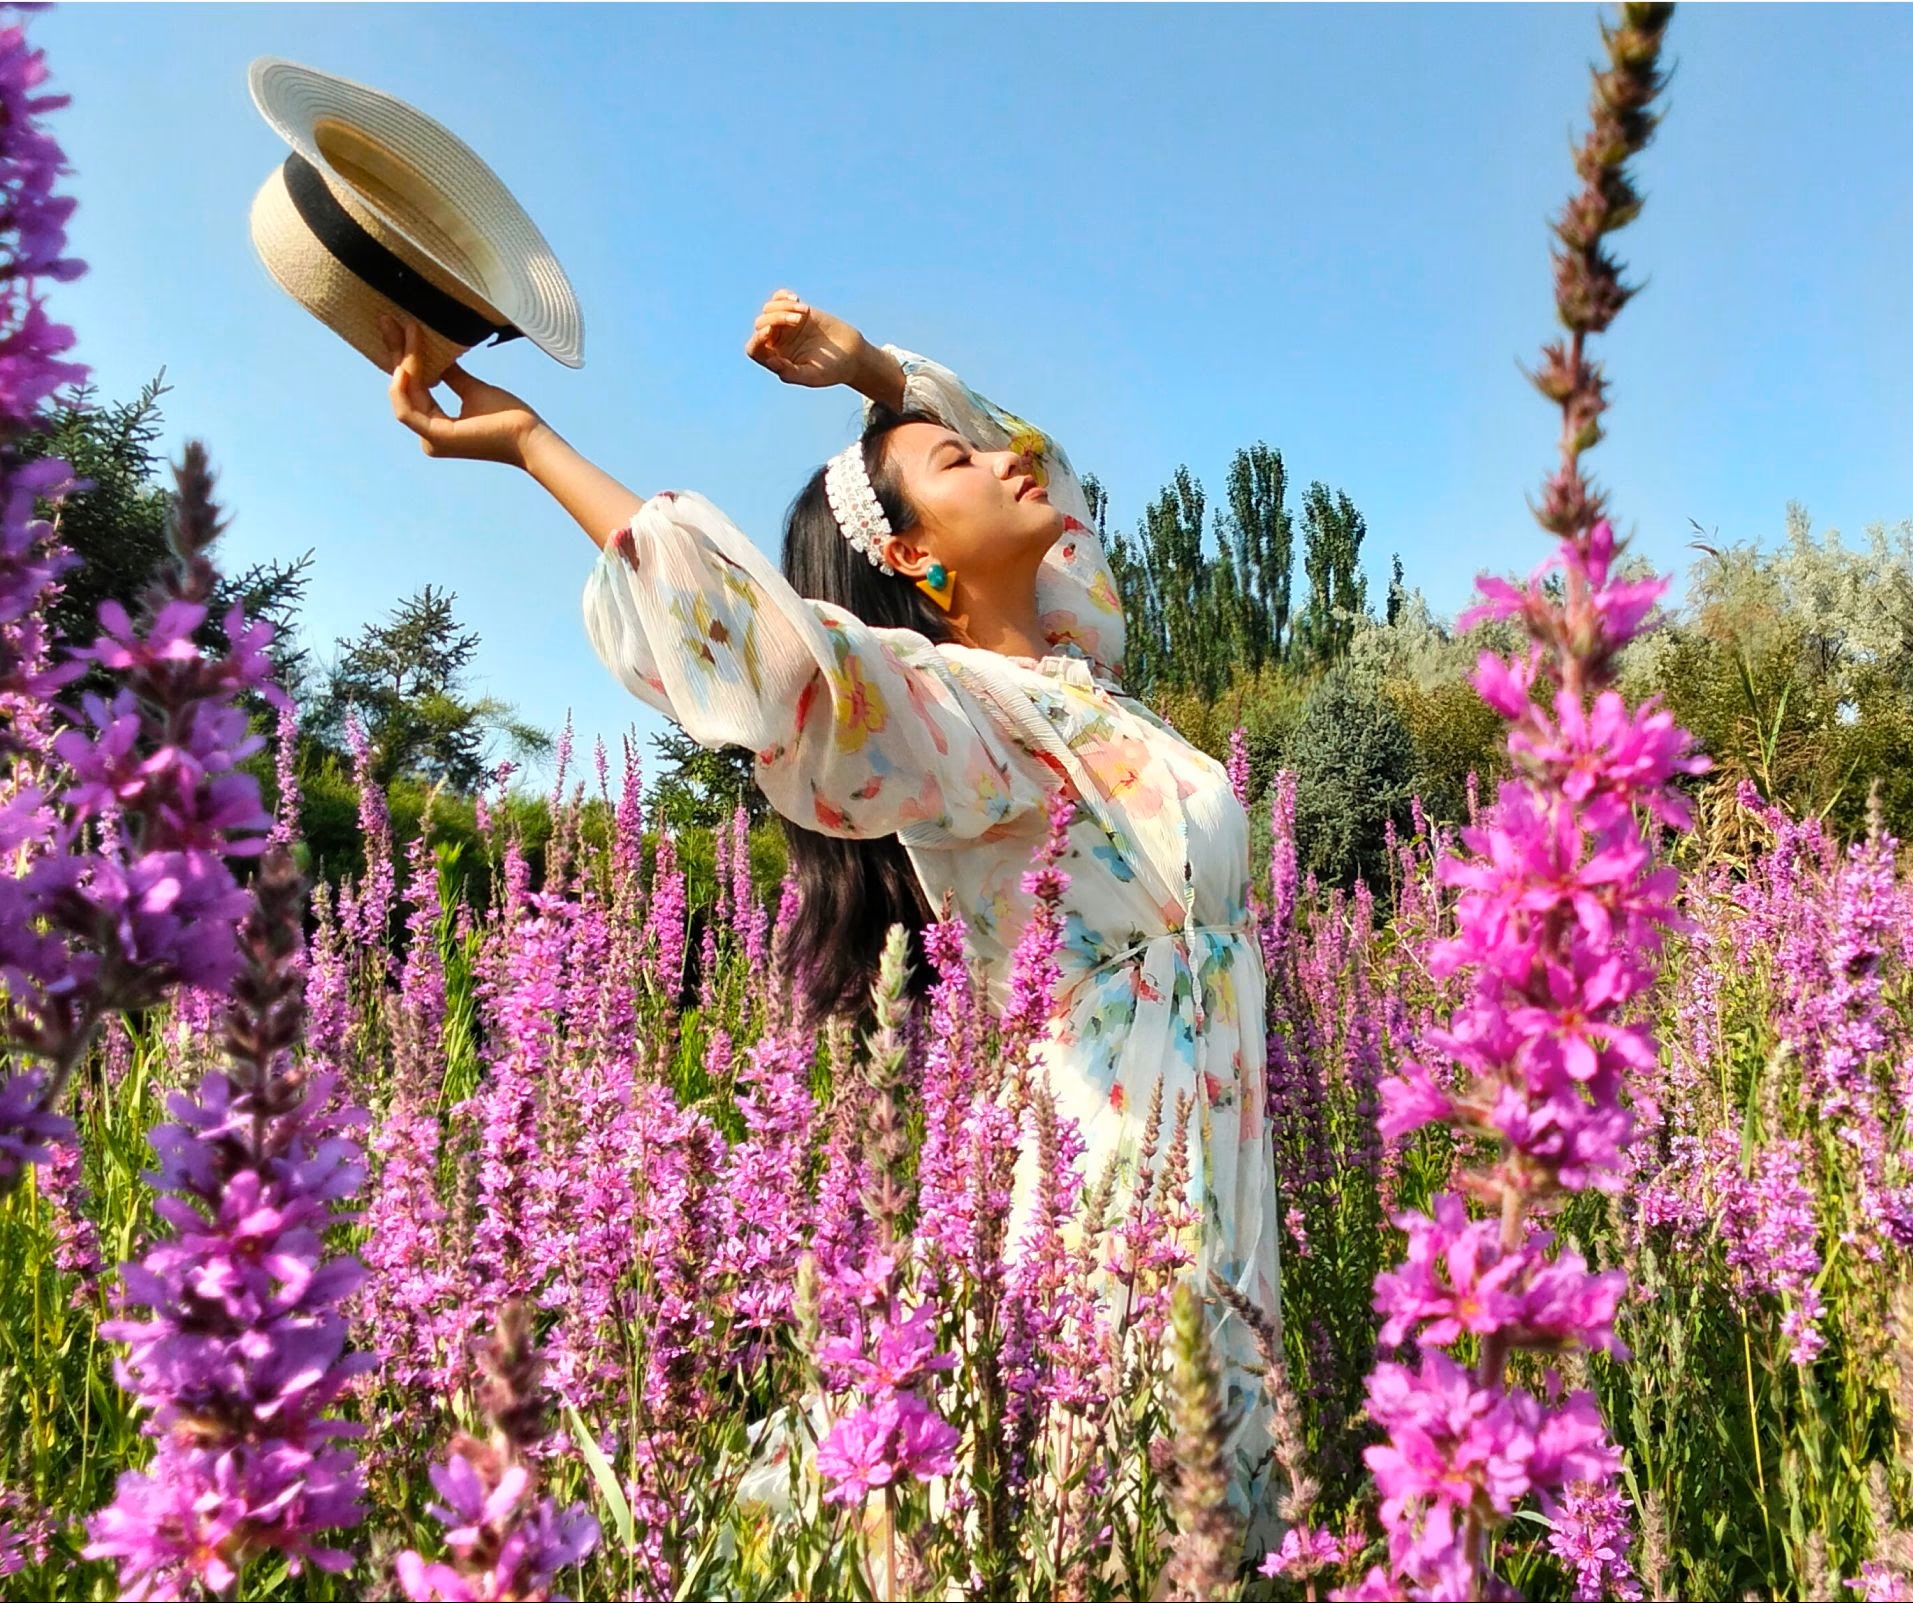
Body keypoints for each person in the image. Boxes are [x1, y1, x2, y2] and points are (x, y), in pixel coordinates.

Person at [379, 295, 1283, 1536]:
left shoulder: (1084, 673)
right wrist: (535, 442)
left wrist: (876, 377)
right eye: (959, 462)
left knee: (1208, 1471)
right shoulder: (956, 713)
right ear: (911, 557)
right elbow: (771, 656)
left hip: (1212, 1124)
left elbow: (1050, 473)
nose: (1008, 462)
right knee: (1119, 1482)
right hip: (1120, 1144)